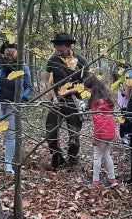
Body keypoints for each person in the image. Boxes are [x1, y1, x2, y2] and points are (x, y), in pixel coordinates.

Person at [0, 42, 32, 174]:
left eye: (12, 54)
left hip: (13, 106)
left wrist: (22, 99)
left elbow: (28, 86)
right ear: (3, 52)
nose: (9, 57)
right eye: (7, 54)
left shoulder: (22, 66)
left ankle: (8, 164)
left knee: (10, 135)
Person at [44, 32, 89, 170]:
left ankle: (73, 159)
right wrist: (53, 95)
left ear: (68, 46)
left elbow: (86, 84)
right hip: (56, 101)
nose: (58, 50)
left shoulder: (81, 61)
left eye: (61, 48)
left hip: (74, 101)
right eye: (56, 47)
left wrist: (70, 92)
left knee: (74, 134)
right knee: (51, 130)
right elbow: (47, 80)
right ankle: (57, 157)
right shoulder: (53, 60)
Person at [82, 74, 118, 188]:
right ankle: (112, 179)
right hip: (110, 132)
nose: (87, 92)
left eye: (88, 89)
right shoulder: (107, 99)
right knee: (107, 154)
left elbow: (98, 121)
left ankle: (95, 182)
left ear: (92, 88)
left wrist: (96, 137)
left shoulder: (96, 102)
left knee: (97, 156)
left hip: (102, 134)